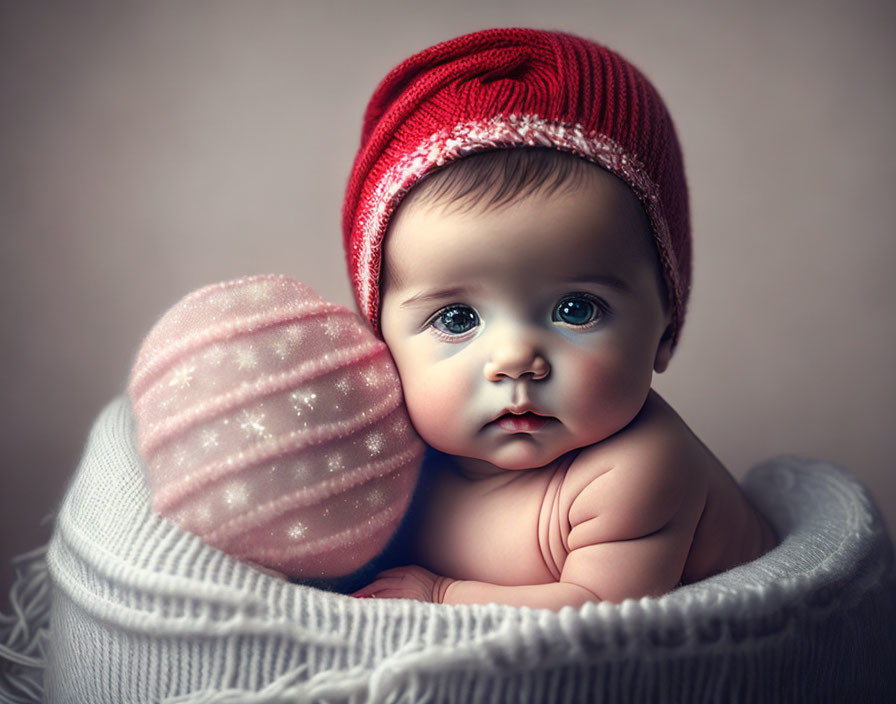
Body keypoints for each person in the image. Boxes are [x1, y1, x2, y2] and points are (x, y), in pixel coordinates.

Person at [342, 27, 777, 608]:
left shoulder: (636, 471)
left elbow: (600, 618)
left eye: (576, 310)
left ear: (665, 330)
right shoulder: (404, 463)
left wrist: (442, 595)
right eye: (455, 318)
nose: (515, 358)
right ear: (383, 343)